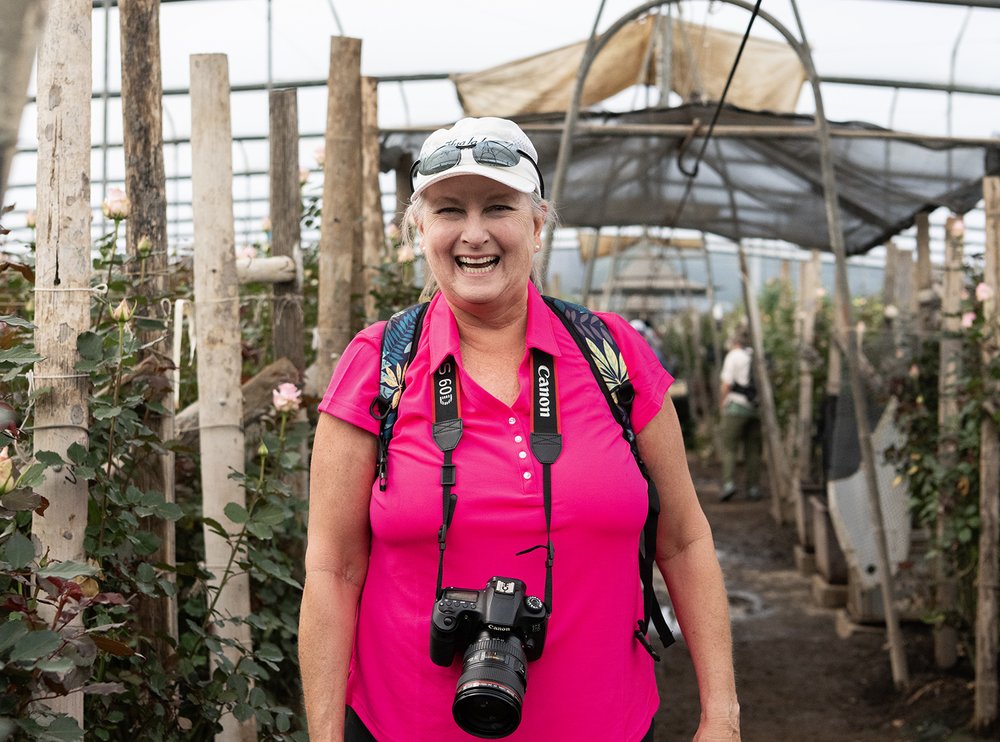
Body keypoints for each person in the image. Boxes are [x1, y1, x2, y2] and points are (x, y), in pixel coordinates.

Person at [299, 117, 740, 741]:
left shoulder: (612, 355)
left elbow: (685, 542)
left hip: (603, 723)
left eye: (498, 207)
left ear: (536, 226)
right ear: (421, 229)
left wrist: (721, 715)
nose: (473, 234)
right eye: (449, 210)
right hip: (408, 726)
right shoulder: (379, 366)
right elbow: (333, 569)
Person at [718, 327, 762, 502]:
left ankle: (729, 484)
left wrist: (722, 404)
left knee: (729, 447)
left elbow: (726, 384)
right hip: (754, 408)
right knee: (753, 450)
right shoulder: (753, 355)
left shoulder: (733, 356)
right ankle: (753, 488)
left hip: (735, 407)